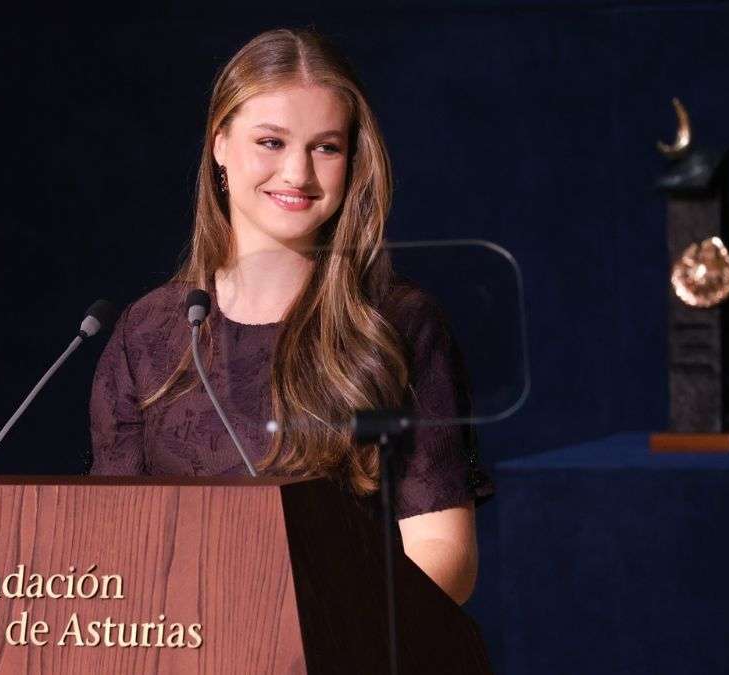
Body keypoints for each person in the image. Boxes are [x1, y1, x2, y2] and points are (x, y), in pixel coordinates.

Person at [88, 27, 494, 605]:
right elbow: (114, 543)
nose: (298, 175)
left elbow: (443, 551)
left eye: (325, 147)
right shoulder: (147, 332)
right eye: (271, 142)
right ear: (219, 144)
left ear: (352, 161)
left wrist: (328, 634)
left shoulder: (398, 323)